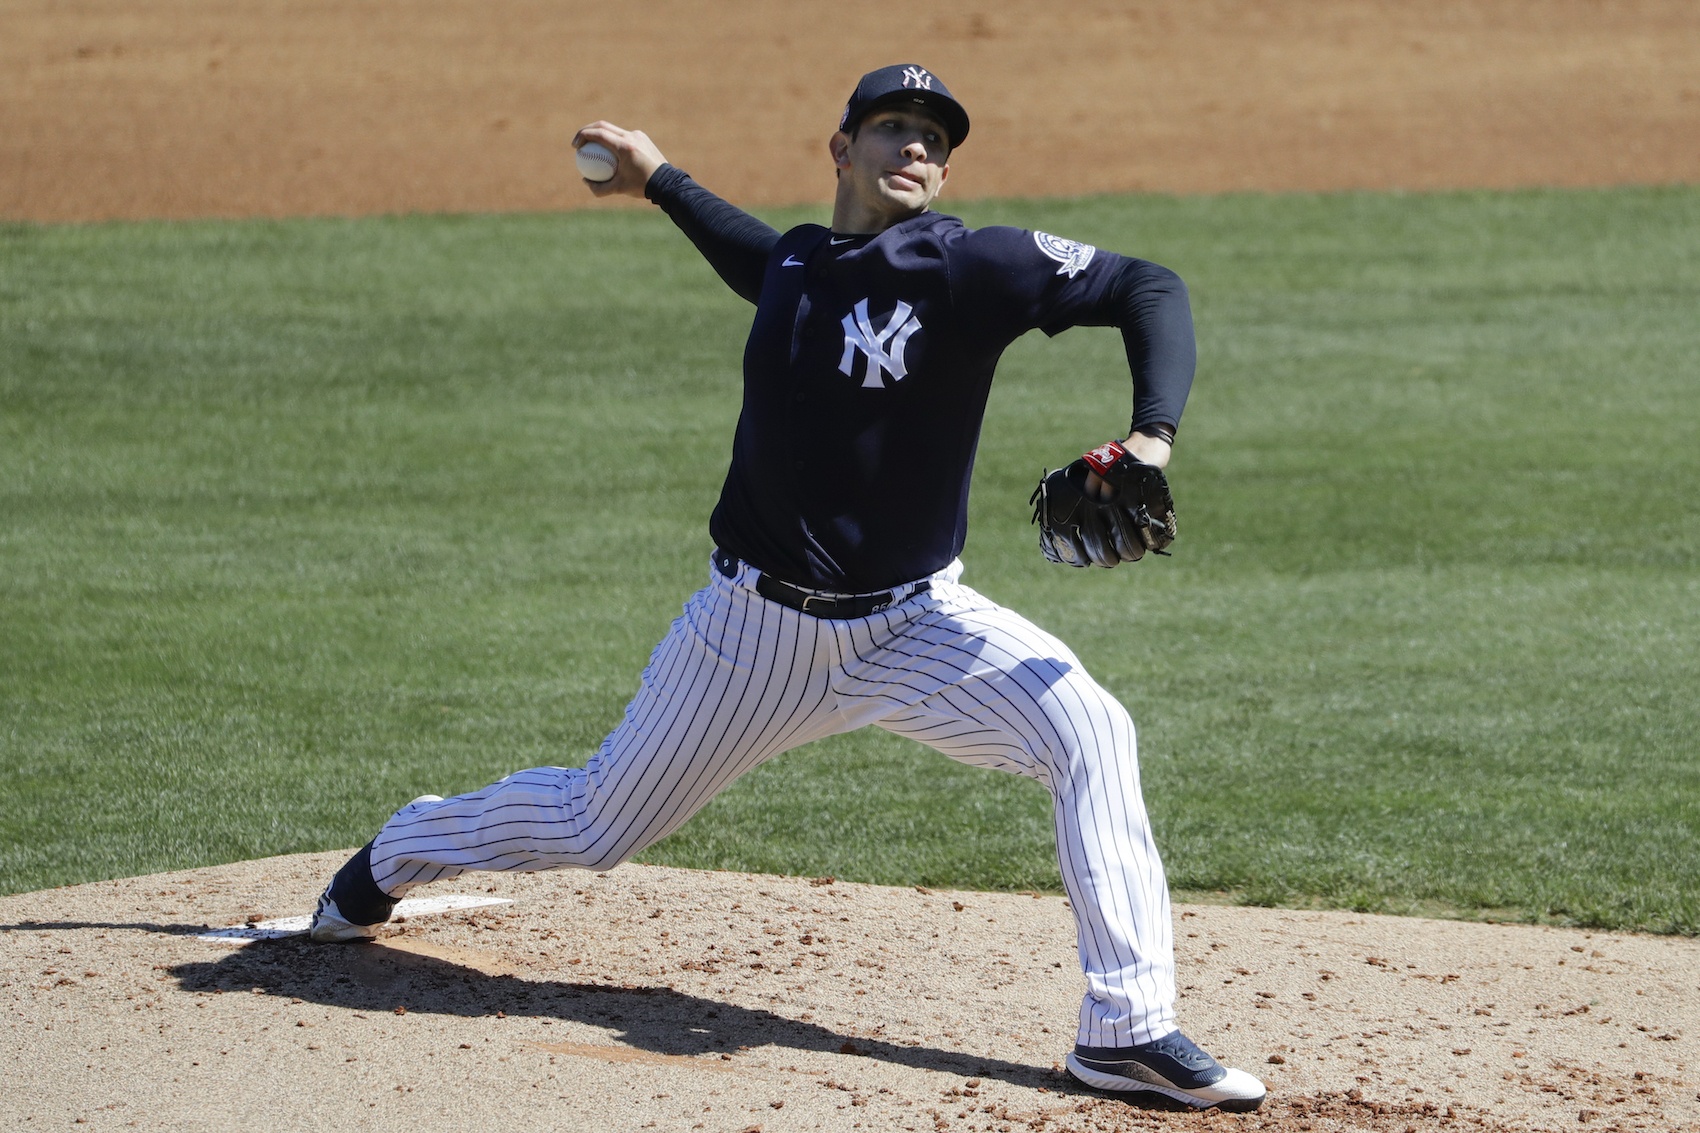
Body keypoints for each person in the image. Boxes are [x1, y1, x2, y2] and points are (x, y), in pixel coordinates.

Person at [307, 64, 1265, 1112]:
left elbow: (1147, 285)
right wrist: (658, 178)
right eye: (892, 128)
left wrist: (1149, 439)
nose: (914, 149)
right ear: (839, 148)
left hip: (917, 623)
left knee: (1088, 731)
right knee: (593, 824)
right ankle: (393, 854)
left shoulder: (970, 264)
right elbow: (757, 259)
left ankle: (1124, 1029)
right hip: (749, 639)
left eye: (933, 140)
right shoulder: (802, 264)